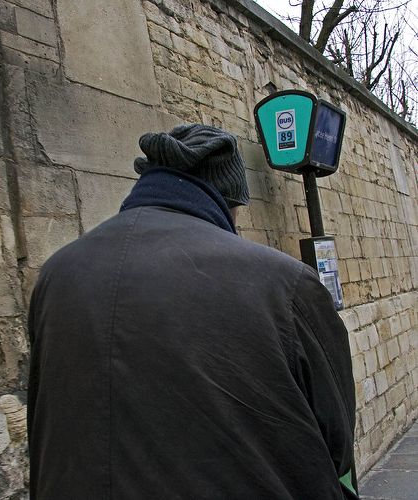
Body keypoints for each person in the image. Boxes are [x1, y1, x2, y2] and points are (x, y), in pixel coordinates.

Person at [27, 124, 358, 499]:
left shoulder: (56, 274)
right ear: (230, 202)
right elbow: (338, 446)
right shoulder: (286, 284)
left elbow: (42, 418)